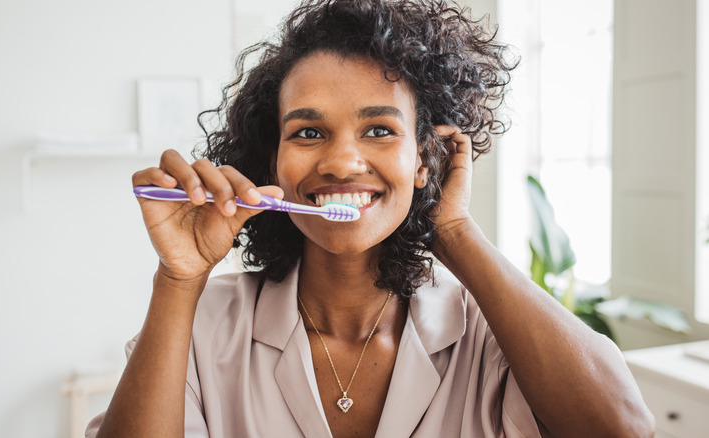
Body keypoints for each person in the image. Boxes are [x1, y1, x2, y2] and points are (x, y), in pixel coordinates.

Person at [87, 1, 655, 437]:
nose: (340, 161)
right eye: (308, 132)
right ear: (273, 163)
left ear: (424, 162)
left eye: (380, 129)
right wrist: (179, 279)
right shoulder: (203, 326)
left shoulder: (492, 335)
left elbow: (624, 429)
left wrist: (453, 232)